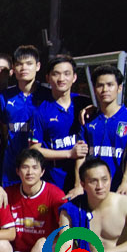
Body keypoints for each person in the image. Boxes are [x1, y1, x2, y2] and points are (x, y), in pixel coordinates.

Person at [2, 149, 65, 252]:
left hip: (47, 251)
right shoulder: (8, 193)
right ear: (18, 171)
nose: (30, 172)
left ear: (42, 171)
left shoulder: (55, 195)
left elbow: (66, 234)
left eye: (35, 167)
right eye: (25, 167)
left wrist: (44, 241)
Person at [76, 65, 127, 195]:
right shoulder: (87, 117)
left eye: (110, 85)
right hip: (93, 190)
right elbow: (81, 154)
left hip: (120, 189)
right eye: (100, 85)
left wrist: (126, 182)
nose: (105, 89)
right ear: (94, 89)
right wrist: (78, 185)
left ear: (119, 88)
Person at [29, 54, 91, 195]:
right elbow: (34, 149)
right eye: (56, 74)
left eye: (67, 74)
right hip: (53, 178)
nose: (62, 79)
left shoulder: (83, 104)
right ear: (48, 78)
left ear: (74, 77)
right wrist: (69, 154)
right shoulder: (40, 112)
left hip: (83, 179)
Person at [0, 45, 51, 187]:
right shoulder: (5, 96)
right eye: (19, 64)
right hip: (12, 164)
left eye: (29, 63)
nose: (24, 68)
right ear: (13, 68)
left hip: (39, 166)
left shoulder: (48, 95)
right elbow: (4, 131)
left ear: (38, 66)